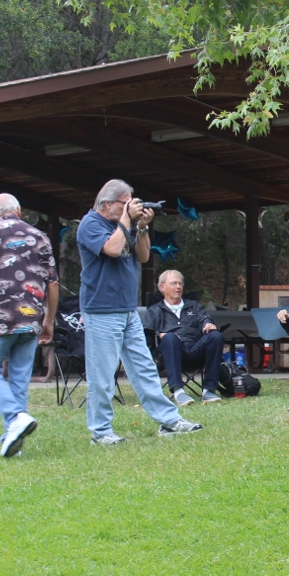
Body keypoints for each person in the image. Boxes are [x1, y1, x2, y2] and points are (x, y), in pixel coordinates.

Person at [77, 180, 202, 444]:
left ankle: (169, 421)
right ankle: (100, 432)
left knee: (144, 368)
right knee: (103, 375)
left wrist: (142, 226)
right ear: (107, 204)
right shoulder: (90, 224)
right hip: (101, 310)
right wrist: (127, 219)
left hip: (127, 309)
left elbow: (143, 256)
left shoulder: (125, 224)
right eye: (126, 203)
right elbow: (112, 249)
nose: (131, 207)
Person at [0, 193, 60, 458]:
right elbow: (53, 283)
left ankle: (14, 418)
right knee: (20, 377)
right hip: (32, 318)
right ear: (19, 211)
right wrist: (49, 320)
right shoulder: (40, 237)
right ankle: (14, 437)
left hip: (0, 317)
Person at [143, 269, 224, 406]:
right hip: (170, 353)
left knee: (216, 336)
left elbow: (204, 319)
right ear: (162, 287)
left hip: (195, 350)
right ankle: (178, 391)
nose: (178, 287)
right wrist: (160, 334)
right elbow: (147, 333)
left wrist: (208, 324)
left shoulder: (194, 306)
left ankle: (209, 390)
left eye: (180, 283)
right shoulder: (155, 310)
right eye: (174, 283)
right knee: (170, 338)